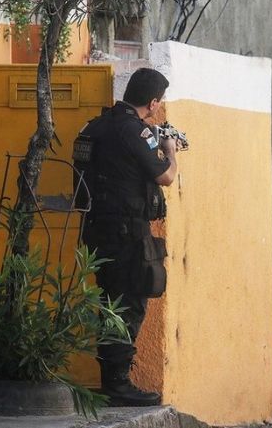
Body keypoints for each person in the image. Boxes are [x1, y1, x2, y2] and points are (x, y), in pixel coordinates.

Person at [74, 68, 178, 406]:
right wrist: (170, 149)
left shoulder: (95, 126)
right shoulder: (137, 132)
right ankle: (117, 384)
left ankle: (112, 380)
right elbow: (165, 176)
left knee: (109, 301)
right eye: (157, 104)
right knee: (129, 303)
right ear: (151, 102)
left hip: (95, 230)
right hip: (126, 233)